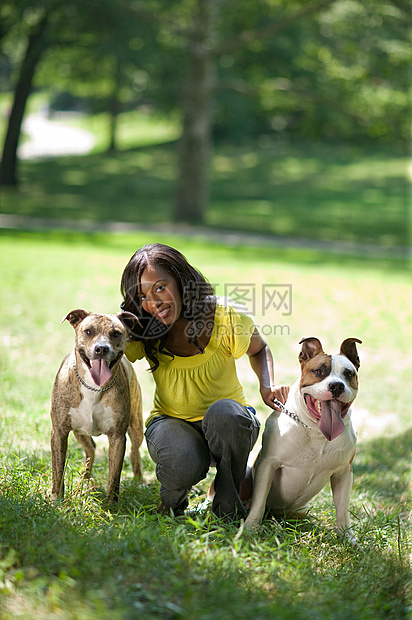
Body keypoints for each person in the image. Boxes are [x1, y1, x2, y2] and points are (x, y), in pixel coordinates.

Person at [120, 243, 289, 520]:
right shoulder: (143, 329)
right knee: (182, 459)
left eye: (160, 287)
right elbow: (107, 353)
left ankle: (227, 509)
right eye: (143, 297)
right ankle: (172, 503)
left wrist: (266, 385)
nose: (154, 302)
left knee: (225, 414)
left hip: (228, 423)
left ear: (181, 281)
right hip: (171, 422)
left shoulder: (224, 315)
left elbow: (258, 348)